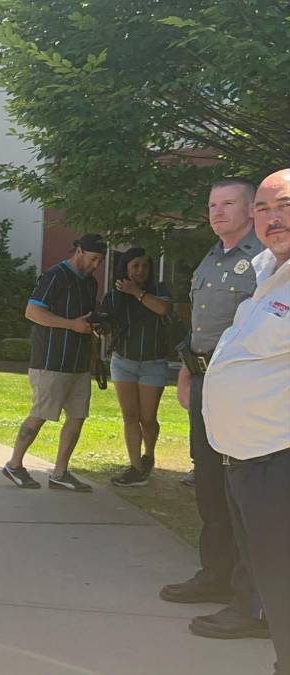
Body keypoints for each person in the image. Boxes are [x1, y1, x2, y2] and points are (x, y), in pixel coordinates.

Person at [161, 180, 267, 642]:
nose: (217, 212)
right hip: (205, 381)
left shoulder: (265, 259)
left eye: (228, 204)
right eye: (212, 205)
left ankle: (251, 598)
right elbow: (202, 323)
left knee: (243, 489)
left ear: (252, 210)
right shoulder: (211, 257)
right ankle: (216, 574)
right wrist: (187, 368)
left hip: (243, 387)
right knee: (208, 482)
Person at [202, 169, 290, 674]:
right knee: (271, 580)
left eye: (285, 205)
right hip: (246, 460)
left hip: (278, 461)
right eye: (263, 208)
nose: (272, 217)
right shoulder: (265, 272)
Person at [2, 234, 105, 492]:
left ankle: (60, 473)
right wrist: (71, 325)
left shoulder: (90, 283)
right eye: (93, 259)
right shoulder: (54, 276)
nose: (96, 265)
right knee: (40, 415)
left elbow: (85, 321)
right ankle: (14, 465)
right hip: (50, 361)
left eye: (100, 261)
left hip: (79, 363)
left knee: (77, 417)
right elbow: (32, 312)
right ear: (79, 251)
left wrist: (94, 350)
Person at [103, 248, 172, 487]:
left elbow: (163, 309)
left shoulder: (159, 290)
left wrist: (136, 292)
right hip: (123, 362)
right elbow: (105, 323)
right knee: (130, 417)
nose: (140, 270)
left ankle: (148, 455)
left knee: (148, 419)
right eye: (135, 266)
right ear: (125, 268)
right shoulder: (114, 296)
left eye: (145, 266)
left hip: (153, 363)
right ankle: (135, 468)